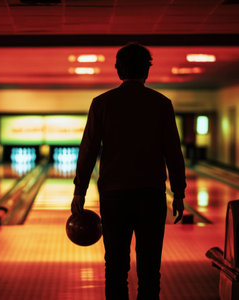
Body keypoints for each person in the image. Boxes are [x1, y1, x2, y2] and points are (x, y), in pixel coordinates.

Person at [71, 43, 186, 300]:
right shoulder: (161, 103)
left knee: (115, 268)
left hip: (114, 197)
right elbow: (173, 152)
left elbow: (88, 149)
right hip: (151, 196)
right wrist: (179, 192)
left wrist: (80, 191)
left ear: (118, 70)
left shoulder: (101, 104)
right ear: (147, 70)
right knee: (149, 270)